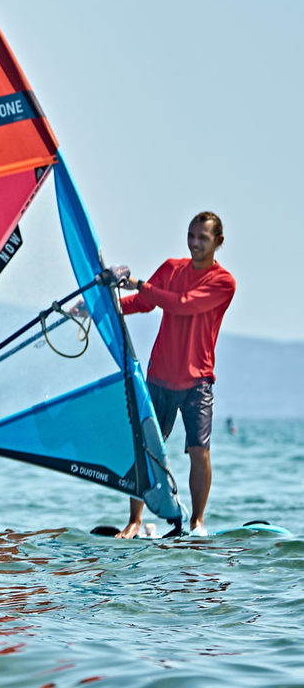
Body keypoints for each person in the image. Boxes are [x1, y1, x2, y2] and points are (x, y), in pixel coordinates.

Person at [113, 211, 235, 538]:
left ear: (218, 242)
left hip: (198, 382)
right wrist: (104, 306)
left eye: (203, 238)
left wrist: (140, 283)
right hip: (160, 377)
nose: (195, 243)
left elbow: (181, 304)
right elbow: (145, 301)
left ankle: (197, 521)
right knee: (146, 448)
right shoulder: (171, 268)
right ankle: (135, 521)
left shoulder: (223, 283)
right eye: (191, 235)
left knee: (200, 450)